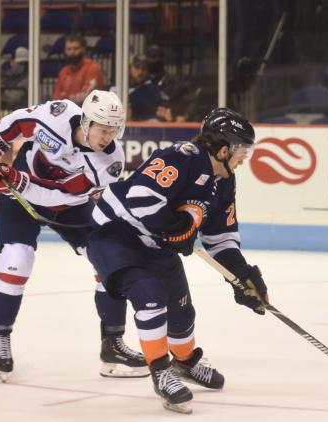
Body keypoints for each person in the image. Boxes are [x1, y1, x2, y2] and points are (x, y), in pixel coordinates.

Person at [86, 108, 269, 414]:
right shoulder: (182, 156)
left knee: (181, 308)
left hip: (155, 243)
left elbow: (220, 238)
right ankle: (161, 370)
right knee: (151, 298)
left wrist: (242, 277)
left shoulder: (224, 183)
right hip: (116, 235)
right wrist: (177, 229)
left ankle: (185, 361)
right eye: (242, 150)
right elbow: (141, 199)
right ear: (224, 149)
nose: (244, 157)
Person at [0, 90, 149, 382]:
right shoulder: (58, 113)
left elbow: (61, 194)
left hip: (67, 205)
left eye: (114, 130)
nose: (108, 137)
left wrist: (16, 181)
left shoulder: (110, 160)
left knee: (109, 262)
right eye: (103, 129)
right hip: (20, 192)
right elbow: (18, 123)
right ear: (87, 123)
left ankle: (112, 343)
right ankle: (1, 335)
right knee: (17, 258)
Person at [52, 34, 105, 105]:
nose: (72, 52)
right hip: (68, 111)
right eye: (69, 49)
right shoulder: (63, 71)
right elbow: (56, 99)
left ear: (83, 49)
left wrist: (66, 99)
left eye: (76, 48)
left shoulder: (93, 67)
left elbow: (88, 96)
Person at [128, 54, 172, 121]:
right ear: (129, 69)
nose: (140, 72)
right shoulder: (115, 87)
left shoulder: (154, 91)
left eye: (144, 68)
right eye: (137, 67)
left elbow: (166, 114)